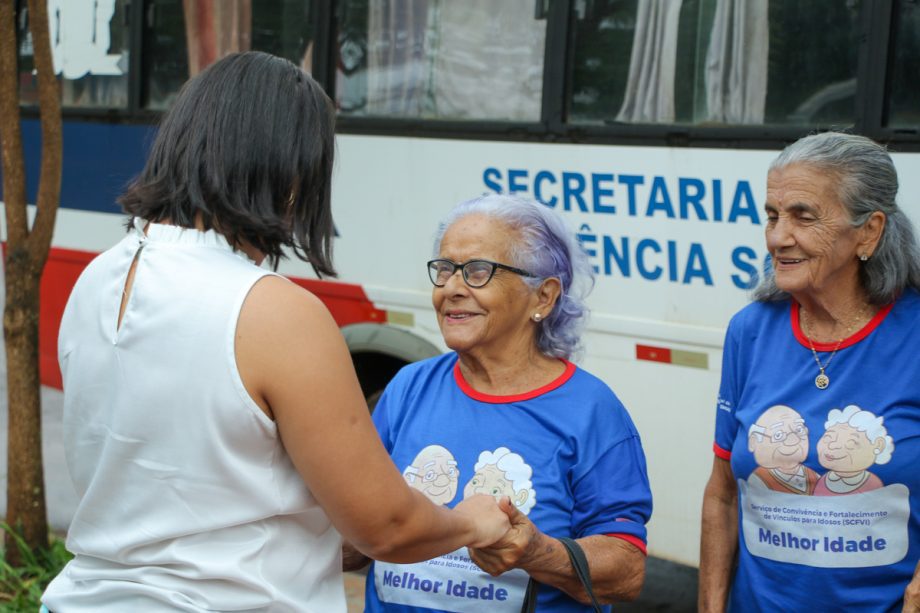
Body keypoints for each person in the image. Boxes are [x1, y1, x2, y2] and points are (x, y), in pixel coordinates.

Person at [40, 51, 511, 612]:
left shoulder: (97, 277)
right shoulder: (273, 310)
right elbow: (384, 526)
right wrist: (474, 522)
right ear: (287, 170)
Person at [343, 194, 653, 611]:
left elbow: (626, 571)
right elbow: (358, 537)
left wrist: (535, 552)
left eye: (477, 272)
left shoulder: (591, 411)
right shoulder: (407, 388)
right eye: (445, 269)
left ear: (543, 297)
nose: (452, 288)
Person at [699, 132, 920, 612]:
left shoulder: (914, 334)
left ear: (869, 231)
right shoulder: (750, 332)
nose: (779, 237)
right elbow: (722, 494)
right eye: (772, 216)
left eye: (804, 216)